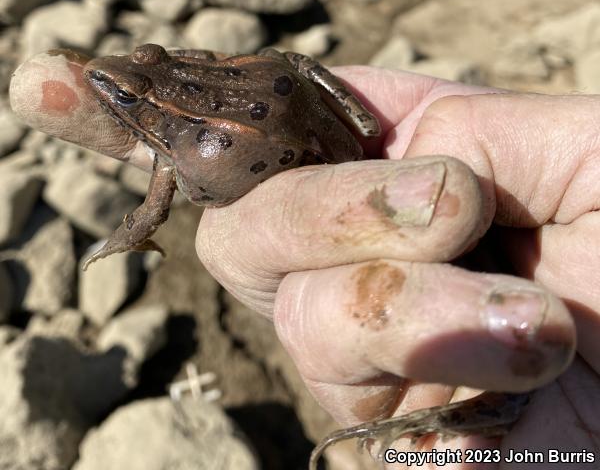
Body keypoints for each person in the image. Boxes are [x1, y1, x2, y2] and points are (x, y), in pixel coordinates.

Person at [9, 50, 598, 467]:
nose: (113, 88)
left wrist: (116, 242)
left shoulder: (166, 153)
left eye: (131, 92)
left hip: (315, 167)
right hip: (323, 116)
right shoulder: (199, 79)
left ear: (149, 104)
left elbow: (150, 214)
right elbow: (281, 63)